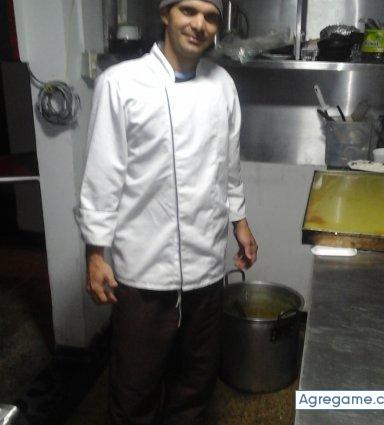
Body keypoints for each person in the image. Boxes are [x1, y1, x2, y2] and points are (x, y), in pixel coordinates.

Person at [76, 0, 258, 423]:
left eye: (210, 16)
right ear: (165, 15)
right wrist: (95, 253)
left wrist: (241, 222)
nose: (199, 24)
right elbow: (103, 175)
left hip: (206, 267)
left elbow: (229, 166)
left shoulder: (222, 84)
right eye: (188, 11)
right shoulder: (120, 84)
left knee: (195, 382)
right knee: (134, 387)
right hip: (145, 270)